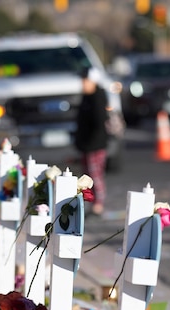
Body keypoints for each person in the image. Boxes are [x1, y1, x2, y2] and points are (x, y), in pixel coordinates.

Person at [74, 67, 109, 216]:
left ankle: (98, 204)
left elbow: (99, 122)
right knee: (87, 175)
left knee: (95, 175)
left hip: (95, 145)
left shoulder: (97, 98)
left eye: (85, 80)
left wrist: (90, 142)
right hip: (87, 144)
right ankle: (91, 203)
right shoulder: (87, 98)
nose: (83, 84)